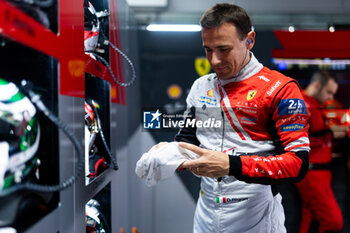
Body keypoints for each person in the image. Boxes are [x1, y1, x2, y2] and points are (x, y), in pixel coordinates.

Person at [150, 3, 310, 232]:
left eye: (223, 49)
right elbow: (188, 140)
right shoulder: (201, 87)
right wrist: (170, 152)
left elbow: (297, 163)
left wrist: (230, 165)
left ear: (249, 40)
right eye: (208, 49)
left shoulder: (280, 89)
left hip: (257, 217)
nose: (214, 60)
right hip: (205, 214)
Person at [295, 71, 346, 233]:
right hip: (312, 174)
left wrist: (330, 131)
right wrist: (331, 133)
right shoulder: (301, 104)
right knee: (333, 221)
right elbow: (299, 138)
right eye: (328, 92)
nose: (330, 97)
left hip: (317, 173)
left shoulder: (313, 105)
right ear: (317, 85)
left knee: (310, 217)